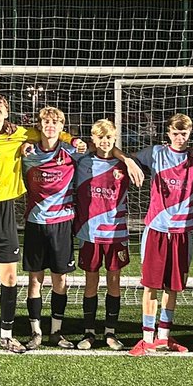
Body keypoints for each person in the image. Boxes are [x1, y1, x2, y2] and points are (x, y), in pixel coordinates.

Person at [0, 94, 91, 353]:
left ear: (7, 114)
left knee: (9, 278)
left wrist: (75, 139)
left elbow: (51, 132)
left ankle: (7, 335)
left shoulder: (20, 133)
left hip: (4, 210)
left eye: (0, 106)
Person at [128, 113, 193, 356]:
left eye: (184, 133)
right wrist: (130, 162)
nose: (179, 138)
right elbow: (126, 158)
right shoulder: (155, 153)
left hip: (183, 231)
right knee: (151, 285)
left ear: (190, 133)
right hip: (157, 228)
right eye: (175, 133)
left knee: (172, 287)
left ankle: (164, 336)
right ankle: (146, 338)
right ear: (168, 133)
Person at [69, 119, 134, 351]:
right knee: (91, 282)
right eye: (100, 138)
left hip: (116, 233)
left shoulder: (125, 165)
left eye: (109, 138)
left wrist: (127, 159)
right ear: (93, 139)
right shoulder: (82, 161)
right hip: (89, 232)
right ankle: (88, 332)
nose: (105, 142)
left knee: (114, 281)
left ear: (114, 139)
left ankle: (110, 333)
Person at [21, 107, 81, 350]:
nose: (51, 126)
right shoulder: (26, 152)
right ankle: (35, 332)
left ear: (62, 127)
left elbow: (102, 151)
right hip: (35, 223)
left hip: (62, 223)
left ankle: (56, 332)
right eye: (46, 122)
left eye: (56, 122)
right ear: (39, 125)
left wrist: (127, 160)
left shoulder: (71, 152)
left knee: (61, 279)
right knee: (35, 280)